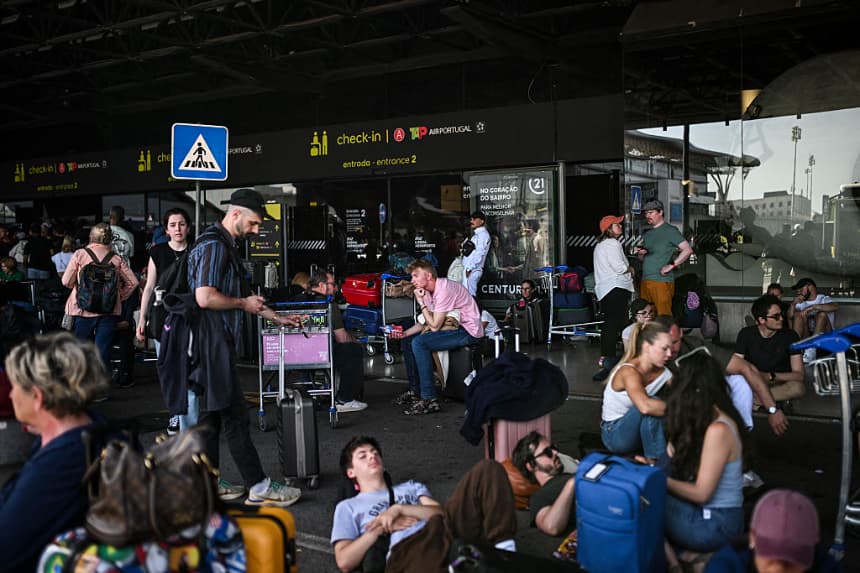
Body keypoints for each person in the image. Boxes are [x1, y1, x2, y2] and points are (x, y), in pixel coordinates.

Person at [188, 188, 303, 506]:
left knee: (210, 421)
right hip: (211, 345)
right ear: (235, 214)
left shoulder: (224, 245)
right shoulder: (214, 246)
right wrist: (243, 303)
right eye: (253, 223)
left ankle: (207, 485)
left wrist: (277, 317)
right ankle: (258, 485)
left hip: (209, 344)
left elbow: (244, 300)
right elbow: (205, 297)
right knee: (235, 418)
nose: (255, 230)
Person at [0, 332, 109, 572]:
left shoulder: (60, 465)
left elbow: (6, 551)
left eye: (15, 385)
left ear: (37, 397)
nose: (10, 394)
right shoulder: (97, 429)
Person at [331, 436, 517, 573]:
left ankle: (505, 551)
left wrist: (399, 509)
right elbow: (344, 561)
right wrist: (381, 527)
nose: (372, 457)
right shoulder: (348, 507)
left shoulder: (410, 487)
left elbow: (440, 513)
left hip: (441, 529)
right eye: (362, 456)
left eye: (375, 453)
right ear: (350, 472)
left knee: (488, 468)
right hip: (406, 549)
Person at [662, 348, 748, 558]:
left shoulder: (719, 430)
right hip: (708, 515)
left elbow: (702, 494)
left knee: (641, 502)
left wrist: (656, 480)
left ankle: (676, 563)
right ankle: (688, 557)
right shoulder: (707, 416)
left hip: (716, 523)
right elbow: (674, 457)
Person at [654, 315, 789, 438]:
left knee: (739, 380)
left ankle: (740, 434)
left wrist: (772, 409)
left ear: (681, 333)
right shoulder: (645, 352)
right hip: (666, 407)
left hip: (699, 400)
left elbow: (747, 368)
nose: (670, 351)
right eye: (664, 346)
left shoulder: (694, 346)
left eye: (674, 342)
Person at [389, 258, 483, 415]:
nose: (412, 280)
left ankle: (429, 399)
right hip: (453, 327)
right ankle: (416, 391)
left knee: (420, 343)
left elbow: (434, 326)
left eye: (415, 276)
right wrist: (404, 334)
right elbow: (426, 321)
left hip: (468, 331)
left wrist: (420, 302)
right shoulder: (427, 291)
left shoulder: (444, 289)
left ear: (428, 276)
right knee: (409, 341)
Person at [136, 208, 192, 434]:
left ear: (188, 227)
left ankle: (189, 417)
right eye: (172, 225)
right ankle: (175, 415)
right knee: (169, 370)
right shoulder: (158, 252)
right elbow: (149, 286)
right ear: (166, 230)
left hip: (189, 316)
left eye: (181, 224)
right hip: (163, 316)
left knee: (189, 368)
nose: (177, 229)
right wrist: (142, 318)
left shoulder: (197, 250)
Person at [62, 223, 139, 372]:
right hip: (108, 311)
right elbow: (133, 283)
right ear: (110, 239)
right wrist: (118, 296)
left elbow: (66, 281)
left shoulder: (80, 254)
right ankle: (101, 388)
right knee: (103, 349)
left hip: (82, 310)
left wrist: (79, 289)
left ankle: (82, 386)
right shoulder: (116, 258)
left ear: (91, 237)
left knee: (81, 349)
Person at [704, 489, 840, 573]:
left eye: (789, 562)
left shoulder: (826, 567)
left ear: (812, 548)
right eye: (771, 558)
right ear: (752, 539)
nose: (778, 569)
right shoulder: (726, 566)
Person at [600, 321, 673, 459]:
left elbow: (683, 395)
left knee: (659, 408)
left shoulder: (664, 372)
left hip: (637, 431)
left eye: (670, 348)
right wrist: (684, 408)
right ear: (647, 347)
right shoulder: (629, 371)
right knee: (652, 406)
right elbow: (645, 406)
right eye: (664, 349)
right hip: (614, 434)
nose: (669, 354)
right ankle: (657, 464)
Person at [307, 269, 368, 413]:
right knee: (352, 350)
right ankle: (344, 399)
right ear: (322, 285)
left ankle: (313, 389)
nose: (335, 288)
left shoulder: (297, 300)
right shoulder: (328, 304)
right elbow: (342, 338)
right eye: (332, 284)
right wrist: (357, 341)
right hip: (320, 353)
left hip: (291, 355)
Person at [735, 295, 805, 402]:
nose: (781, 319)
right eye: (776, 316)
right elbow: (735, 366)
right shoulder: (746, 334)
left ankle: (758, 400)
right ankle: (761, 399)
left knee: (798, 388)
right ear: (762, 320)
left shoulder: (790, 336)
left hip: (779, 383)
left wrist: (771, 376)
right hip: (754, 382)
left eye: (781, 315)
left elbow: (799, 375)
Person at [593, 214, 635, 380]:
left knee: (612, 323)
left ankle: (611, 360)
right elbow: (619, 268)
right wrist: (630, 268)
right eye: (617, 224)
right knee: (616, 324)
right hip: (616, 287)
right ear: (609, 229)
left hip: (606, 289)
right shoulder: (613, 243)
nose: (621, 226)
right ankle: (614, 361)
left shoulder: (601, 245)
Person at [511, 431, 576, 537]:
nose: (555, 453)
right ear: (531, 466)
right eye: (547, 452)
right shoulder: (539, 497)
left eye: (553, 448)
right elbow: (551, 527)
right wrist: (571, 484)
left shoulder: (569, 474)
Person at [636, 199, 694, 316]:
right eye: (646, 213)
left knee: (663, 317)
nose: (647, 216)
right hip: (645, 280)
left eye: (651, 212)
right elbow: (642, 259)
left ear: (660, 212)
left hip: (661, 281)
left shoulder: (670, 230)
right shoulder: (648, 234)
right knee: (644, 318)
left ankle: (668, 334)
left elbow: (687, 250)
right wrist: (641, 254)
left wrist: (671, 265)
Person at [787, 278, 838, 363]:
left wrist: (814, 307)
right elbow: (790, 316)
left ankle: (812, 348)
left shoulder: (823, 298)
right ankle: (796, 349)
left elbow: (835, 307)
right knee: (797, 315)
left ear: (810, 287)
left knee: (821, 314)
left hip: (826, 334)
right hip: (807, 335)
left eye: (801, 289)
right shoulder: (801, 303)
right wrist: (793, 304)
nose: (798, 292)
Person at [461, 211, 491, 296]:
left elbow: (480, 253)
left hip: (473, 269)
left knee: (470, 296)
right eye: (471, 219)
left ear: (482, 221)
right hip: (470, 269)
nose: (472, 221)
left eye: (474, 219)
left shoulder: (483, 235)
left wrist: (469, 268)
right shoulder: (477, 234)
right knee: (467, 295)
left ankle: (478, 309)